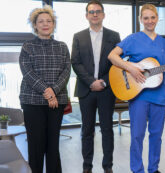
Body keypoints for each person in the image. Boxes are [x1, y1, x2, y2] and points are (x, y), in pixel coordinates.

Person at [108, 4, 165, 173]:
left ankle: (153, 168)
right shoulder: (132, 39)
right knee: (137, 135)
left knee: (156, 136)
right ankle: (137, 170)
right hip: (139, 95)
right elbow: (112, 56)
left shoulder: (164, 42)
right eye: (146, 18)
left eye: (153, 17)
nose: (149, 21)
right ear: (141, 19)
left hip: (160, 94)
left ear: (157, 18)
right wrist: (131, 68)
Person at [19, 5, 71, 173]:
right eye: (41, 21)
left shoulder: (62, 46)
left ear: (53, 24)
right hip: (32, 101)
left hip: (57, 101)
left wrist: (53, 91)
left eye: (49, 21)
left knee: (53, 145)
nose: (45, 24)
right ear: (34, 25)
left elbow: (66, 71)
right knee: (35, 146)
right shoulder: (27, 46)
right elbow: (28, 73)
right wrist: (49, 93)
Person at [71, 1, 121, 173]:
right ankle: (87, 166)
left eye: (98, 11)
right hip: (86, 90)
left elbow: (118, 63)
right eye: (91, 12)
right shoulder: (78, 36)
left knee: (107, 129)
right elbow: (75, 62)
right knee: (87, 130)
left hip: (107, 90)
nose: (95, 14)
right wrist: (91, 81)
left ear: (103, 15)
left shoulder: (114, 36)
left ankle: (108, 167)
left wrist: (104, 82)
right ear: (86, 15)